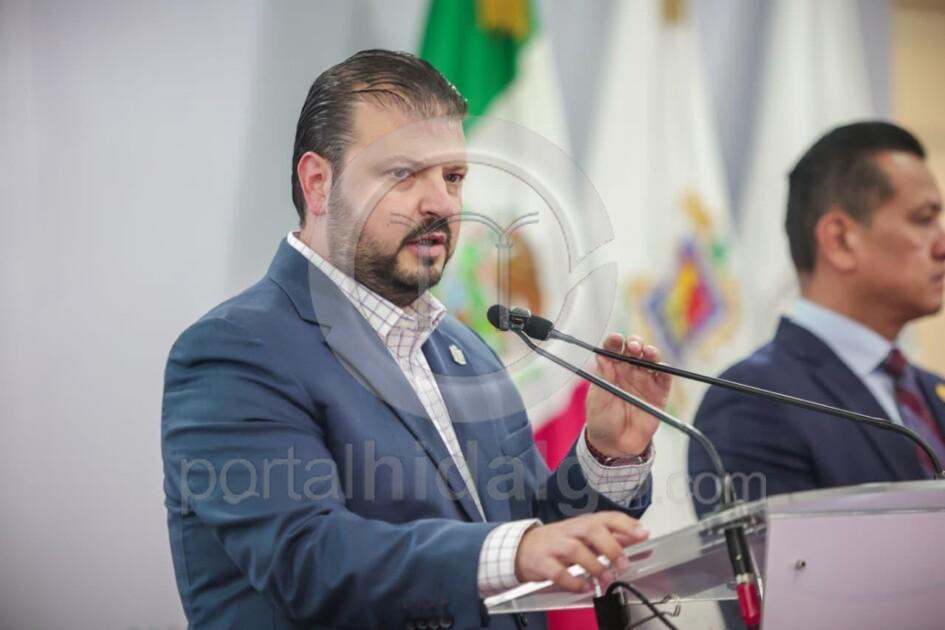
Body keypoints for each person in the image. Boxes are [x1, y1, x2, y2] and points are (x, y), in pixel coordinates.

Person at [162, 49, 671, 630]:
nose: (443, 204)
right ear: (319, 183)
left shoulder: (467, 351)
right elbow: (309, 559)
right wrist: (514, 551)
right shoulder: (235, 352)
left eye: (453, 177)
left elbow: (530, 535)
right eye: (403, 173)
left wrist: (608, 455)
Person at [689, 121, 945, 519]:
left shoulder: (931, 391)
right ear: (840, 241)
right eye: (923, 219)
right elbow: (778, 558)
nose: (941, 244)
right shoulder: (753, 401)